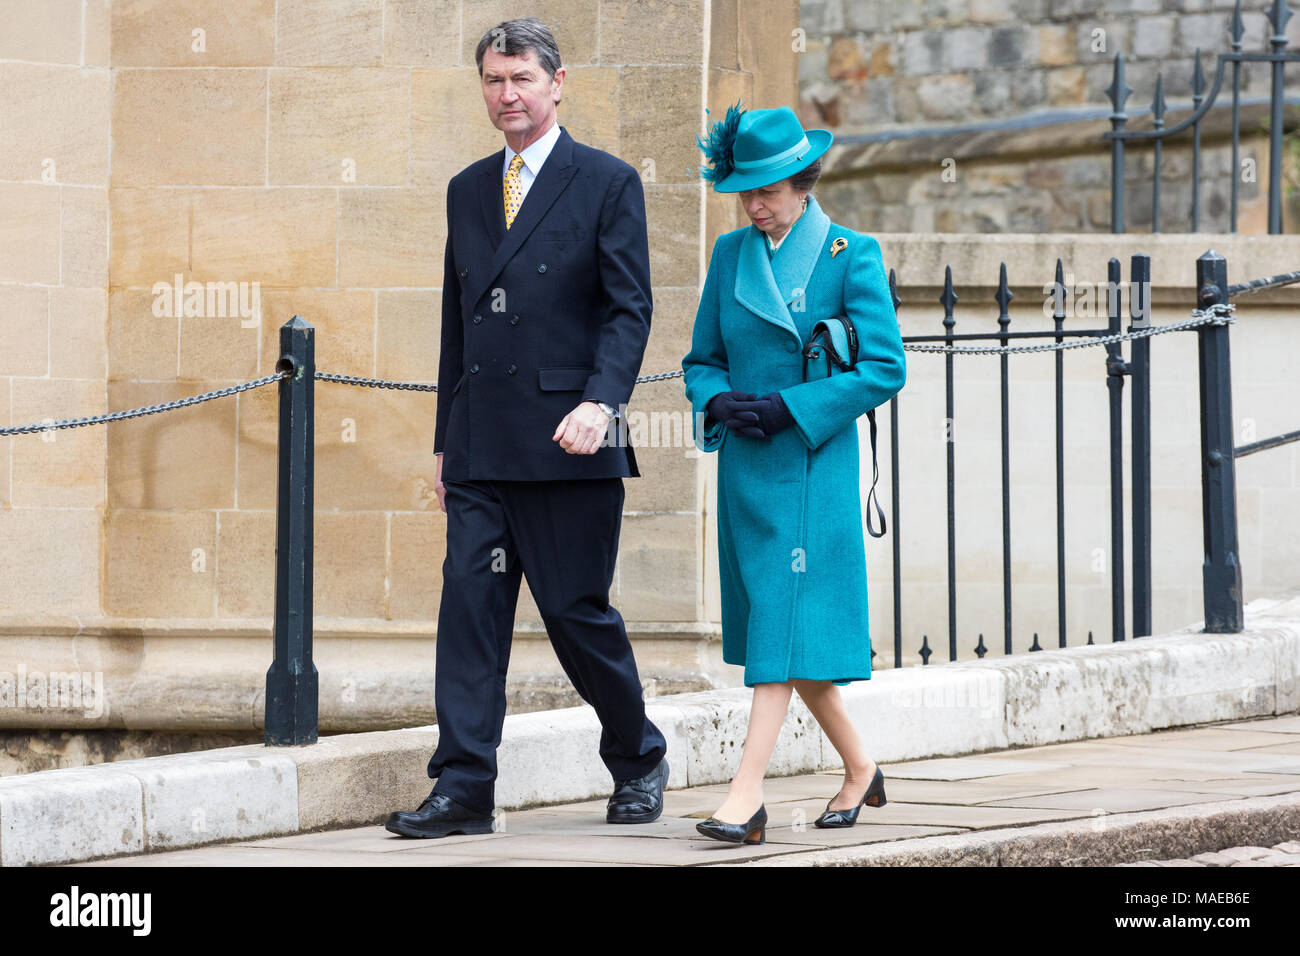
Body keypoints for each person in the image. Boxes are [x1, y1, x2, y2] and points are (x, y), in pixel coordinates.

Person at [385, 17, 668, 839]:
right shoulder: (467, 187)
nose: (505, 96)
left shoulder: (608, 181)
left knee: (578, 614)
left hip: (570, 437)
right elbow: (456, 326)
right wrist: (445, 441)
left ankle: (638, 755)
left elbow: (629, 307)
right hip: (480, 445)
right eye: (492, 81)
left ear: (556, 83)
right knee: (469, 614)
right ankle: (464, 787)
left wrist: (600, 402)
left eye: (520, 80)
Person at [681, 104, 907, 845]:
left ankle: (745, 798)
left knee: (780, 621)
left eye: (769, 187)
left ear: (802, 181)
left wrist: (792, 408)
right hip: (749, 468)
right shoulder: (728, 253)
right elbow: (701, 359)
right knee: (790, 636)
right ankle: (861, 769)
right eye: (746, 188)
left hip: (813, 467)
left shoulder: (853, 254)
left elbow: (885, 367)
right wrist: (721, 401)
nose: (756, 202)